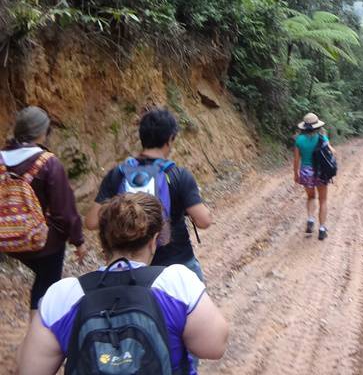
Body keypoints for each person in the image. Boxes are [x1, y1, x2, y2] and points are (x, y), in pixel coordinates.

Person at [17, 193, 229, 375]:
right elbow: (214, 346)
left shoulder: (61, 296)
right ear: (154, 240)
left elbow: (30, 370)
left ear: (103, 240)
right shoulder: (177, 282)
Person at [85, 108, 211, 281]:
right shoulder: (178, 175)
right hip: (177, 265)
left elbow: (91, 222)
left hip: (132, 270)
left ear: (142, 137)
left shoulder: (118, 174)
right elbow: (204, 221)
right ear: (170, 139)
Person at [1, 106, 86, 318]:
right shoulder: (48, 163)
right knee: (46, 282)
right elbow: (65, 211)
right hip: (40, 242)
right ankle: (37, 333)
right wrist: (78, 240)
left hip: (5, 237)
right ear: (42, 132)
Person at [293, 113, 336, 240]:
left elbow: (296, 160)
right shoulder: (322, 138)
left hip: (306, 172)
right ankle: (322, 229)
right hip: (321, 172)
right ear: (317, 125)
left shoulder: (299, 140)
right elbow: (333, 152)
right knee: (323, 200)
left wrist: (296, 174)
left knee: (311, 197)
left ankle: (311, 219)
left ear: (304, 127)